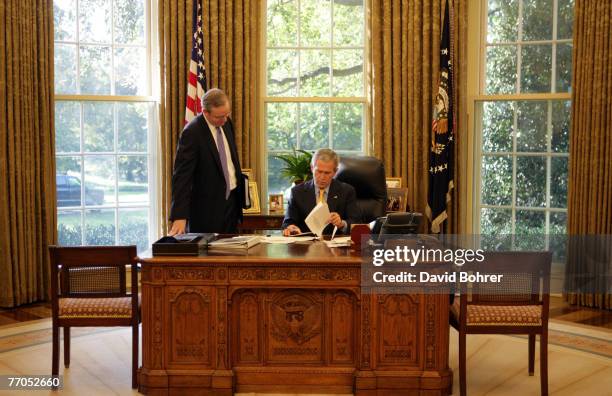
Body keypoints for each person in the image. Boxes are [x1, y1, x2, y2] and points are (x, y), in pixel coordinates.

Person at [168, 88, 245, 235]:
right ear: (205, 112)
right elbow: (182, 177)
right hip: (206, 209)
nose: (224, 120)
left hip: (232, 203)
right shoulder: (192, 132)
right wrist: (179, 216)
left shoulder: (227, 123)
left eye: (227, 114)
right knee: (209, 255)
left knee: (232, 254)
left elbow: (230, 161)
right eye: (219, 117)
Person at [282, 148, 361, 236]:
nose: (322, 177)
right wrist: (291, 227)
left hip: (335, 245)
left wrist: (341, 223)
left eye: (327, 173)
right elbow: (288, 222)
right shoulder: (297, 192)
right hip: (306, 245)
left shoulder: (347, 191)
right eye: (319, 171)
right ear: (312, 168)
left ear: (335, 172)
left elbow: (357, 223)